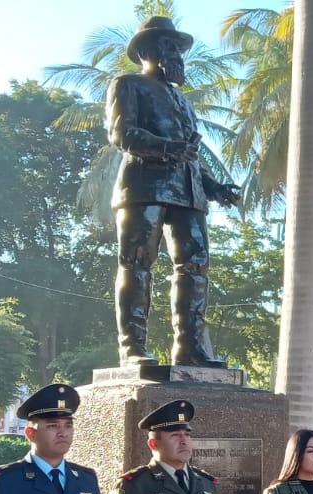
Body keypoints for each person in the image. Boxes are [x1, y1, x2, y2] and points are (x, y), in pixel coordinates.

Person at [108, 16, 240, 367]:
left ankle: (190, 348)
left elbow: (191, 152)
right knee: (137, 263)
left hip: (189, 192)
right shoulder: (128, 84)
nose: (175, 53)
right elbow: (123, 135)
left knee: (195, 267)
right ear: (147, 50)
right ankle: (132, 347)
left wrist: (214, 187)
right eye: (167, 46)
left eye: (177, 48)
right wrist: (169, 148)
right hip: (144, 186)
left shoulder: (183, 102)